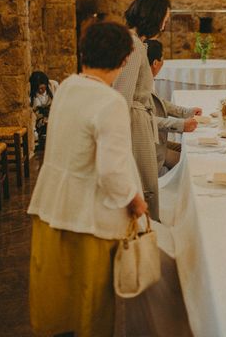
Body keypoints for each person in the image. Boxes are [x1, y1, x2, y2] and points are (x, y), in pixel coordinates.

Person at [27, 21, 147, 336]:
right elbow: (112, 172)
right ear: (123, 60)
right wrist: (135, 202)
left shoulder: (66, 86)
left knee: (60, 312)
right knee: (91, 314)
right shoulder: (110, 102)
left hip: (53, 211)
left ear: (85, 53)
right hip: (88, 222)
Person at [113, 0, 171, 221]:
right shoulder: (135, 46)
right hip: (135, 126)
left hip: (138, 120)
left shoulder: (131, 41)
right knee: (144, 184)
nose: (164, 26)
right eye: (164, 20)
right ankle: (145, 239)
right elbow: (122, 96)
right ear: (154, 16)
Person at [145, 39, 201, 173]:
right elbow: (145, 119)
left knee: (194, 150)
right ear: (155, 63)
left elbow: (160, 102)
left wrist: (186, 112)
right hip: (150, 147)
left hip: (159, 141)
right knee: (191, 165)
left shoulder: (146, 78)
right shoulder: (140, 82)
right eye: (163, 59)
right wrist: (181, 124)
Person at [28, 71, 59, 151]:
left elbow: (60, 104)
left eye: (43, 88)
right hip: (39, 120)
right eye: (38, 89)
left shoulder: (53, 85)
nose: (41, 90)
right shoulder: (31, 94)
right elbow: (32, 113)